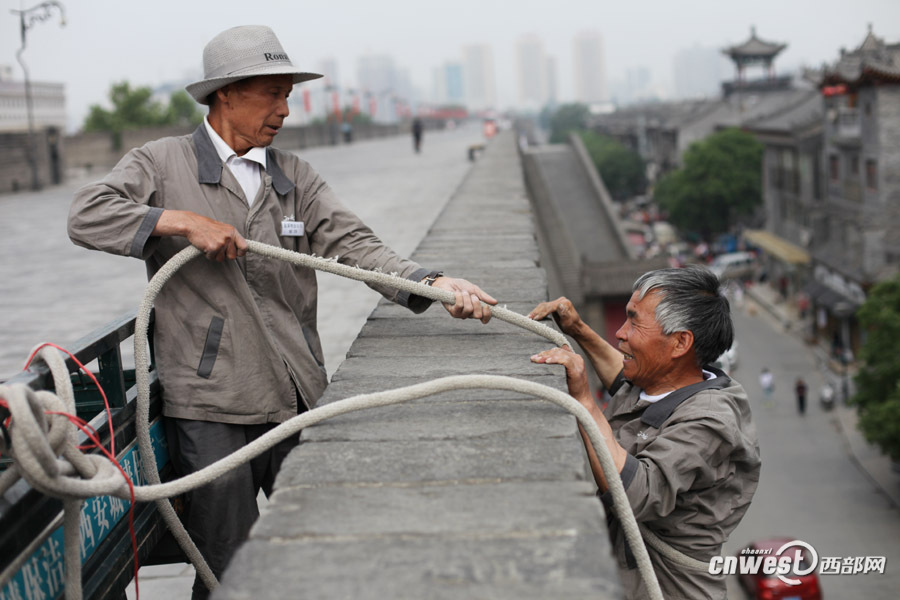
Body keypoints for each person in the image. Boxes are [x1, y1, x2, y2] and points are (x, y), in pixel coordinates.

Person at [67, 25, 496, 599]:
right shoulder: (161, 163)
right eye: (272, 93)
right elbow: (87, 215)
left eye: (288, 94)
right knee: (228, 568)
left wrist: (434, 283)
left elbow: (358, 247)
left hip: (297, 396)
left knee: (328, 549)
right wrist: (180, 221)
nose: (285, 110)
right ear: (227, 94)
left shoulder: (294, 177)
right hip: (213, 408)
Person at [528, 265, 760, 599]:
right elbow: (622, 380)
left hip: (665, 588)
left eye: (634, 321)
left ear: (680, 342)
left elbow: (635, 491)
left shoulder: (709, 422)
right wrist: (578, 329)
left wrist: (582, 399)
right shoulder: (664, 378)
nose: (620, 333)